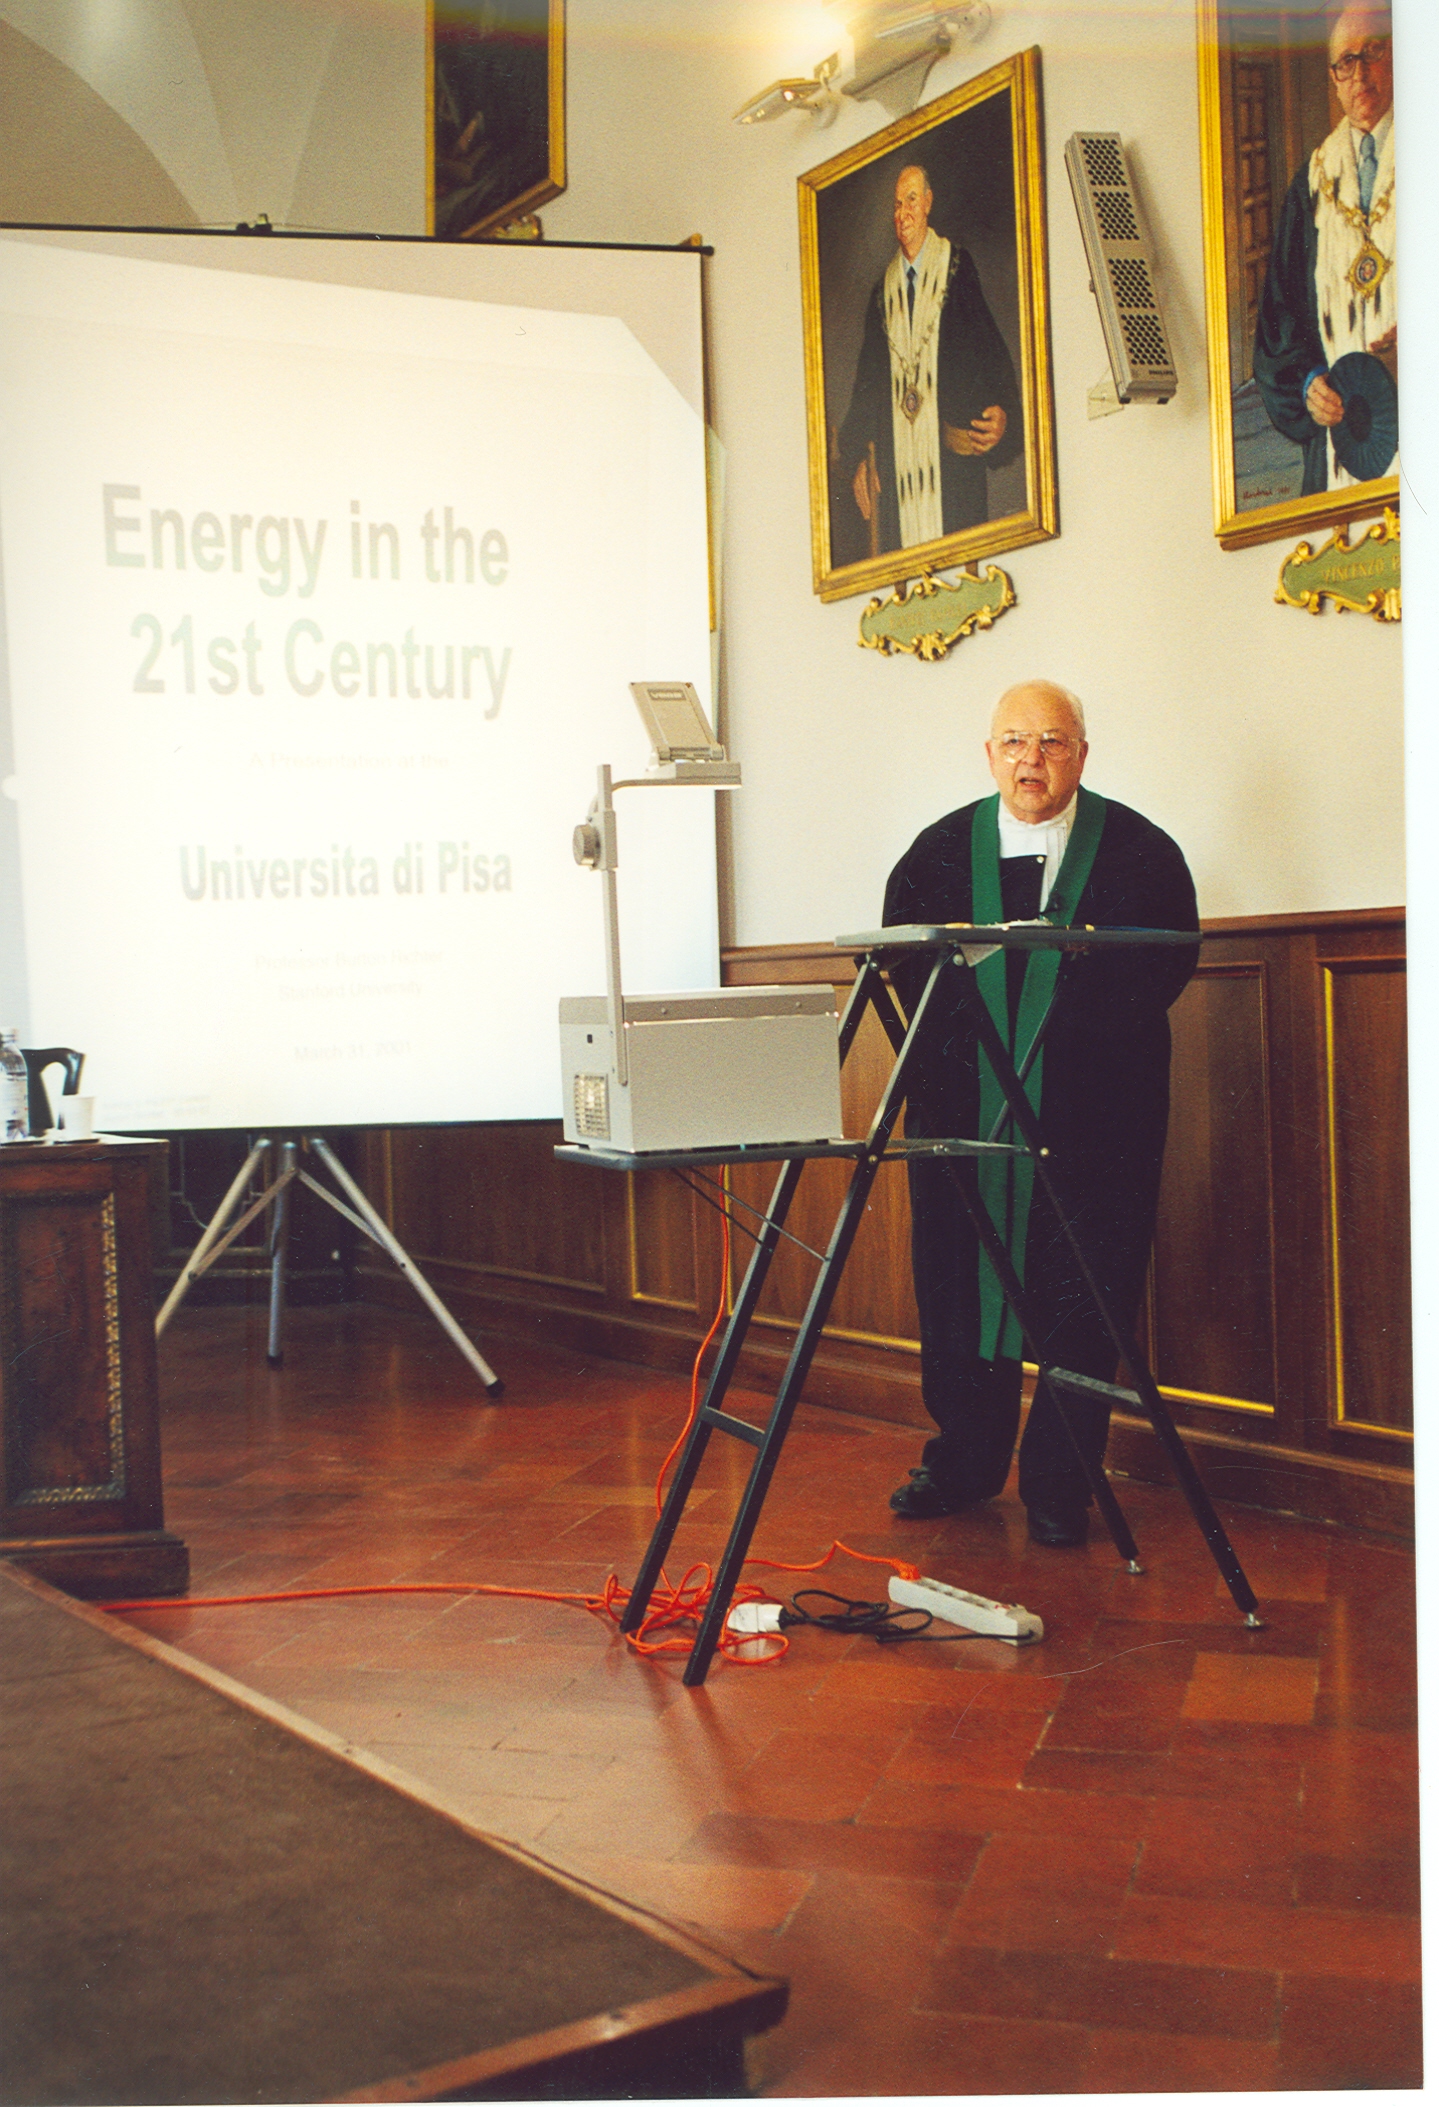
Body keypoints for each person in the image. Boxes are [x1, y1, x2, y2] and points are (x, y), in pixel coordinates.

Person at [881, 682, 1198, 1546]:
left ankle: (1062, 1483)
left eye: (1052, 741)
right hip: (965, 1113)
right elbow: (905, 978)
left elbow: (1160, 972)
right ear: (989, 754)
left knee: (1081, 1293)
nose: (1032, 759)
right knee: (956, 1283)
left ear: (1081, 755)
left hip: (1094, 1121)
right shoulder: (933, 855)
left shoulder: (1142, 854)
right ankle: (961, 1462)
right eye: (1015, 741)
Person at [836, 163, 1022, 559]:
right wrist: (859, 460)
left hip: (952, 467)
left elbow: (991, 354)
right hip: (898, 475)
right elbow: (866, 391)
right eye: (897, 204)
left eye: (911, 200)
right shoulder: (882, 294)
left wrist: (1003, 415)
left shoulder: (955, 268)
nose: (903, 213)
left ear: (928, 203)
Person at [1251, 5, 1396, 494]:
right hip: (1344, 439)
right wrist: (1308, 381)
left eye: (1373, 52)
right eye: (1346, 62)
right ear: (1333, 78)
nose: (1361, 75)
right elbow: (1281, 318)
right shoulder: (1312, 182)